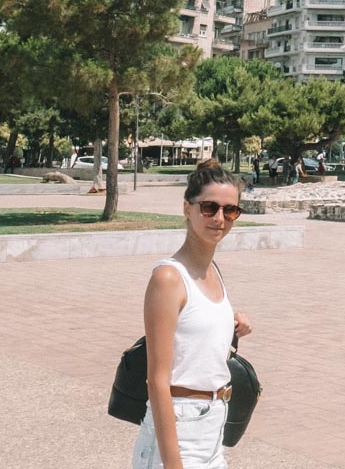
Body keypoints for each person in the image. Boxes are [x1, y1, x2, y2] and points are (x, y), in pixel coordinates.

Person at [133, 159, 252, 469]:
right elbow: (157, 380)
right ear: (188, 208)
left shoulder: (212, 270)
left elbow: (194, 327)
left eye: (231, 210)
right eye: (209, 208)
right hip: (178, 430)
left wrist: (230, 321)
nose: (220, 218)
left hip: (213, 427)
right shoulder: (169, 278)